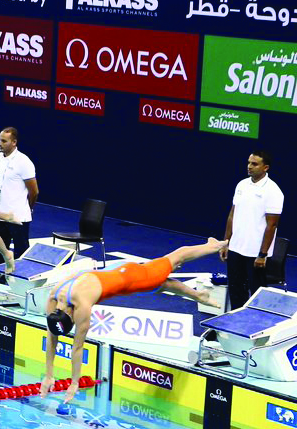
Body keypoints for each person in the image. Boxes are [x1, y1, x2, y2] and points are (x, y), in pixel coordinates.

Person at [40, 238, 226, 403]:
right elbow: (52, 337)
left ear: (72, 315)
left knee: (174, 259)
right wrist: (48, 375)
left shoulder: (82, 305)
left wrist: (74, 383)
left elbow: (77, 347)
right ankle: (199, 296)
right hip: (109, 272)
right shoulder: (54, 296)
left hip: (129, 276)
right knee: (159, 285)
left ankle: (214, 245)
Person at [221, 151, 284, 310]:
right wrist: (226, 243)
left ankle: (258, 325)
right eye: (249, 162)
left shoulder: (274, 192)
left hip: (255, 254)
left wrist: (262, 254)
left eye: (254, 164)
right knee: (235, 289)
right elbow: (232, 215)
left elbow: (272, 226)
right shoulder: (242, 184)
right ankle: (236, 320)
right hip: (235, 248)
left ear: (265, 168)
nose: (249, 166)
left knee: (257, 292)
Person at [0, 127, 39, 264]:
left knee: (21, 253)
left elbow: (34, 191)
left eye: (4, 141)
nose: (0, 143)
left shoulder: (24, 162)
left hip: (18, 217)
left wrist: (27, 208)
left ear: (14, 142)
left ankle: (22, 284)